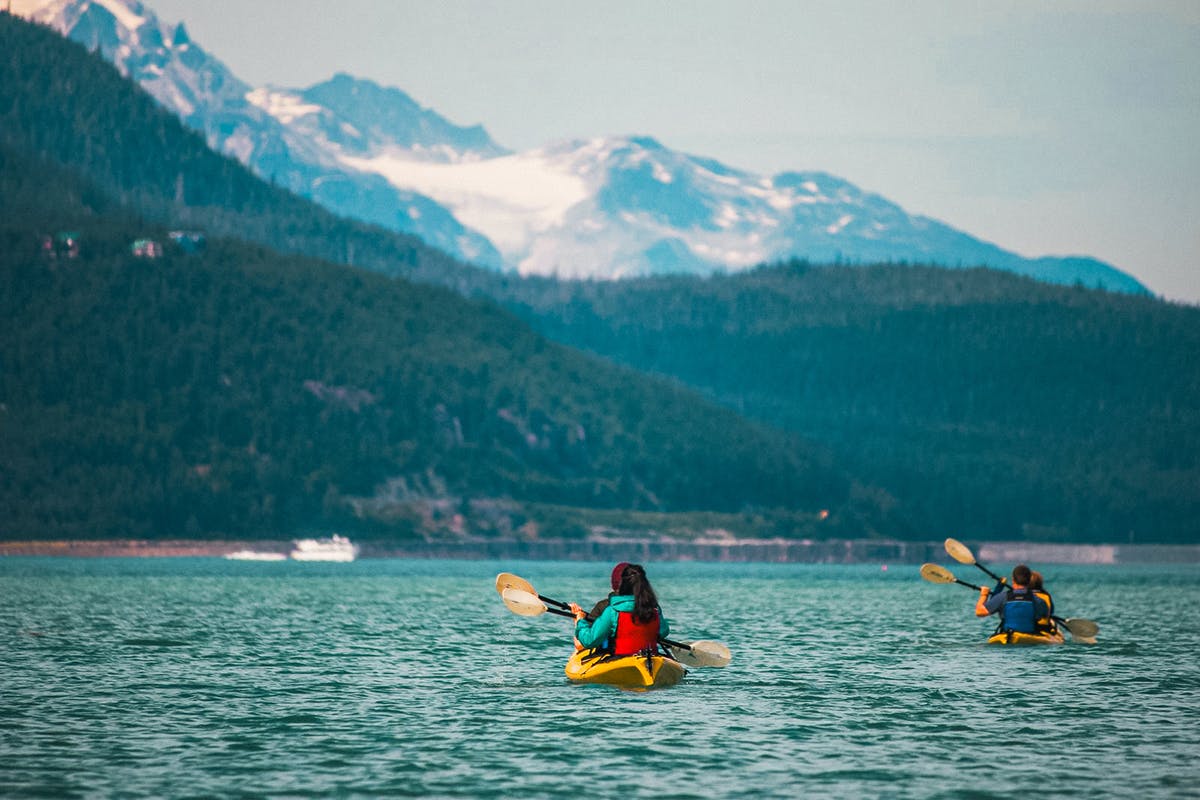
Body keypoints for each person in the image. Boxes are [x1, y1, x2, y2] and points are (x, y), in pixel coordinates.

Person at [569, 563, 669, 656]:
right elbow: (663, 632)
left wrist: (580, 621)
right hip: (649, 656)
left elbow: (589, 641)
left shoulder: (612, 611)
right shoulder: (654, 609)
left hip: (621, 657)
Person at [975, 563, 1051, 635]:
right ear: (1029, 581)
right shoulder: (1038, 601)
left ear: (1013, 580)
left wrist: (984, 594)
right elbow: (1046, 616)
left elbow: (979, 612)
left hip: (1008, 635)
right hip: (1029, 635)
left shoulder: (1002, 597)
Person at [1029, 570, 1058, 634]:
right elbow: (1051, 612)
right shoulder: (1046, 595)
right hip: (1043, 627)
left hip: (1029, 627)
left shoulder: (1024, 595)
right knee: (1052, 621)